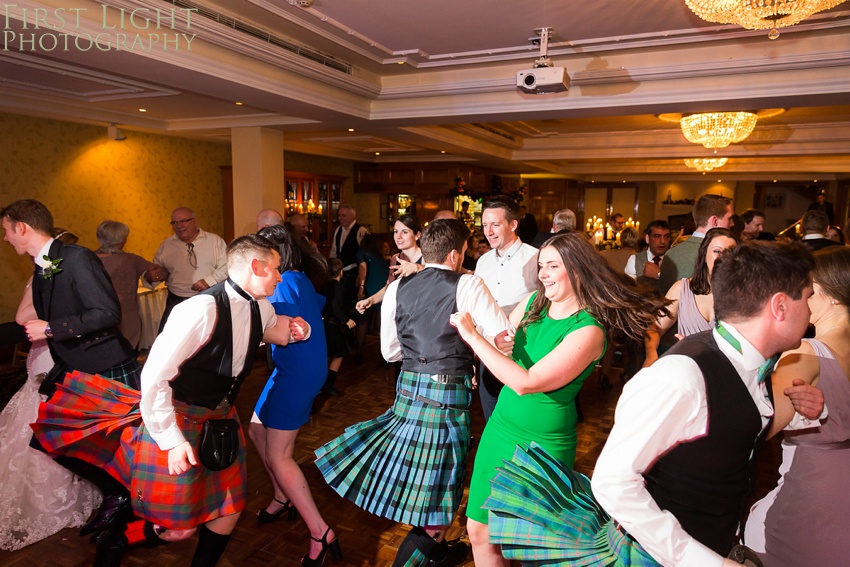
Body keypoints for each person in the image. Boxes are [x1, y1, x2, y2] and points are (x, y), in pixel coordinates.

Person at [31, 234, 309, 567]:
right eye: (276, 269)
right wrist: (172, 441)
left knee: (228, 509)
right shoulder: (200, 309)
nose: (280, 277)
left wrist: (295, 329)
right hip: (178, 420)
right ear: (256, 266)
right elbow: (153, 376)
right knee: (178, 530)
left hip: (221, 417)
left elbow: (272, 331)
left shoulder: (259, 305)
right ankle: (118, 541)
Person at [590, 241, 825, 567]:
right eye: (807, 298)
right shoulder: (681, 375)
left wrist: (802, 413)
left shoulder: (751, 361)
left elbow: (724, 429)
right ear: (780, 307)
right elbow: (613, 483)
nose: (811, 312)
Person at [451, 232, 669, 566]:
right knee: (479, 530)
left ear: (578, 270)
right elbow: (502, 354)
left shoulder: (589, 329)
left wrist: (472, 336)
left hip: (542, 443)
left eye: (552, 266)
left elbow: (527, 382)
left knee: (528, 542)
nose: (543, 274)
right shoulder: (532, 304)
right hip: (501, 428)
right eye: (541, 266)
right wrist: (497, 342)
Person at [315, 219, 510, 567]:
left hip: (408, 394)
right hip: (446, 403)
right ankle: (429, 549)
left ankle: (439, 550)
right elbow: (503, 341)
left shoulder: (397, 288)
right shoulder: (468, 282)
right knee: (436, 512)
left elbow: (390, 352)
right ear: (455, 254)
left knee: (430, 498)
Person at [2, 199, 141, 539]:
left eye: (6, 231)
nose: (5, 239)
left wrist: (50, 329)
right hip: (74, 366)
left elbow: (107, 314)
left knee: (117, 444)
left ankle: (132, 506)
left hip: (104, 363)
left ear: (22, 227)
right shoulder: (45, 263)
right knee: (50, 440)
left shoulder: (78, 258)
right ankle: (118, 494)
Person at [744, 246, 850, 566]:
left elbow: (758, 428)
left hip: (808, 502)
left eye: (806, 289)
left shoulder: (806, 353)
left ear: (827, 294)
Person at [248, 225, 338, 566]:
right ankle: (282, 495)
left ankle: (320, 531)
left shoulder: (284, 282)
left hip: (298, 372)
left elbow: (288, 329)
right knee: (256, 427)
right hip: (290, 368)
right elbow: (313, 307)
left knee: (279, 457)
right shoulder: (295, 277)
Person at [0, 280, 100, 551]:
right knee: (44, 406)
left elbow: (22, 318)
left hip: (55, 353)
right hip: (55, 350)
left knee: (46, 409)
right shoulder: (76, 280)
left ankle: (52, 496)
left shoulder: (42, 278)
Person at [475, 196, 539, 421]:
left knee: (521, 420)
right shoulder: (482, 262)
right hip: (488, 355)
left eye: (495, 224)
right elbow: (477, 310)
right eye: (484, 225)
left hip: (523, 355)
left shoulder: (535, 259)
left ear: (513, 225)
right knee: (491, 418)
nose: (488, 232)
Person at [644, 228, 739, 366]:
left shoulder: (742, 295)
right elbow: (654, 328)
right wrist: (651, 355)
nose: (722, 258)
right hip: (689, 372)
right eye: (717, 251)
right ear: (704, 254)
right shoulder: (682, 289)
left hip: (726, 372)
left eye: (729, 252)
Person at [147, 207, 228, 331]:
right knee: (170, 344)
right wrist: (151, 277)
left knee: (208, 342)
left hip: (209, 300)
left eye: (183, 221)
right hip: (176, 301)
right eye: (174, 223)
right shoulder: (166, 245)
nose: (178, 226)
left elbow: (227, 267)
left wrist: (209, 281)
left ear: (194, 222)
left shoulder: (214, 241)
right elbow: (156, 273)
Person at [95, 220, 166, 350]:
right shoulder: (132, 260)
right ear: (123, 240)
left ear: (99, 238)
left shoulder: (88, 259)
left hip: (97, 319)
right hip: (127, 320)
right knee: (128, 356)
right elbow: (159, 273)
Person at [659, 194, 733, 293]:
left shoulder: (671, 252)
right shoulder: (715, 255)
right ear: (714, 221)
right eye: (729, 218)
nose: (732, 224)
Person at [356, 215, 424, 312]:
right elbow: (388, 288)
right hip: (401, 314)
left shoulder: (425, 257)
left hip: (419, 314)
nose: (398, 236)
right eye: (396, 231)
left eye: (404, 232)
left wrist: (417, 267)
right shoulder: (395, 258)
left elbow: (439, 276)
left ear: (417, 235)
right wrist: (370, 301)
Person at [320, 259, 356, 396]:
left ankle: (322, 384)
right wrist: (346, 320)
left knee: (326, 355)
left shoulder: (323, 285)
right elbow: (336, 308)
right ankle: (328, 385)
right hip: (331, 325)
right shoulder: (337, 286)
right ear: (341, 272)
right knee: (339, 353)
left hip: (322, 323)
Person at [354, 233, 390, 357]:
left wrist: (361, 286)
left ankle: (358, 350)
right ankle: (384, 355)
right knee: (382, 322)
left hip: (370, 287)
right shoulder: (380, 256)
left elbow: (363, 267)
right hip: (383, 287)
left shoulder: (361, 253)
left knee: (364, 320)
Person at [329, 204, 368, 313]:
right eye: (339, 215)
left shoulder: (361, 231)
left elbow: (365, 256)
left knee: (352, 305)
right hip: (340, 275)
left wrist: (361, 278)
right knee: (340, 303)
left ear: (352, 217)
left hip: (354, 274)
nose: (340, 218)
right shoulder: (338, 230)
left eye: (344, 215)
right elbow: (334, 250)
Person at [625, 220, 672, 289]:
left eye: (666, 236)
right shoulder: (635, 260)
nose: (663, 241)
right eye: (657, 236)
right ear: (647, 238)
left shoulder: (674, 260)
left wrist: (659, 275)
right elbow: (629, 290)